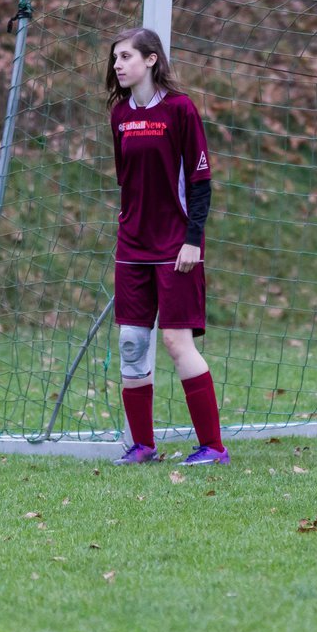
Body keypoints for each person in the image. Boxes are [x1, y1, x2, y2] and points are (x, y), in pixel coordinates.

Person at [104, 27, 228, 466]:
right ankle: (143, 446)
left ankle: (213, 447)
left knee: (177, 344)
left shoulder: (180, 110)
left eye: (125, 56)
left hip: (177, 248)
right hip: (132, 247)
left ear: (151, 60)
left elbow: (199, 181)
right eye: (115, 58)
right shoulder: (119, 116)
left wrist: (193, 239)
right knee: (132, 344)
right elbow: (126, 182)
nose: (118, 65)